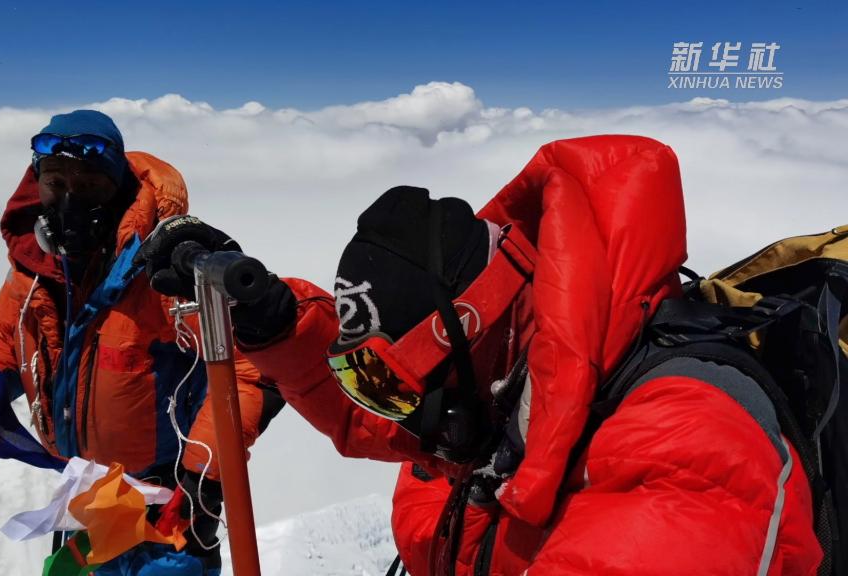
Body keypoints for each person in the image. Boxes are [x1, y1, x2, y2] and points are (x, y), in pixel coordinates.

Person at [137, 135, 824, 575]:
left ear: (475, 329)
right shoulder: (495, 395)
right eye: (369, 381)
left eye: (398, 387)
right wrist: (275, 323)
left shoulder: (683, 450)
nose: (395, 417)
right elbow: (376, 413)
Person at [0, 110, 283, 575]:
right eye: (55, 182)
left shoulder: (164, 273)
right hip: (87, 500)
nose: (70, 199)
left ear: (117, 189)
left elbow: (251, 366)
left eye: (90, 184)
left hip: (167, 514)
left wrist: (205, 470)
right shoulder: (35, 270)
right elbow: (10, 337)